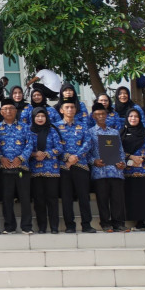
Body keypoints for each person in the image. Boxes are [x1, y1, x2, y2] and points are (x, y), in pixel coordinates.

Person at [56, 97, 95, 233]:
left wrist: (76, 157)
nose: (70, 109)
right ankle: (70, 225)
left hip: (81, 165)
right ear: (61, 110)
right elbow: (55, 145)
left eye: (72, 107)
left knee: (84, 196)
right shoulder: (56, 127)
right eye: (67, 107)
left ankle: (87, 224)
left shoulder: (82, 126)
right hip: (64, 166)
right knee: (66, 198)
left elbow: (88, 143)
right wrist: (67, 158)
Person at [0, 98, 34, 234]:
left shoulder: (24, 127)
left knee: (24, 198)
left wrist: (21, 158)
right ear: (1, 112)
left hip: (21, 168)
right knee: (7, 198)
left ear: (16, 111)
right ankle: (9, 226)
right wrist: (1, 158)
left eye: (11, 109)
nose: (8, 111)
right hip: (5, 168)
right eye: (5, 109)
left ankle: (27, 226)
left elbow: (30, 144)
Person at [88, 102, 126, 232]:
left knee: (117, 198)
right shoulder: (90, 132)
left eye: (103, 114)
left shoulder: (114, 132)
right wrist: (94, 161)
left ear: (107, 115)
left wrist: (122, 162)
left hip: (115, 171)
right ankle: (105, 223)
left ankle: (118, 223)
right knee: (102, 199)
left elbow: (120, 150)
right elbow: (86, 153)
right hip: (100, 171)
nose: (101, 116)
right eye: (98, 114)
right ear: (93, 116)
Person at [29, 106, 62, 233]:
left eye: (42, 116)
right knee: (39, 199)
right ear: (33, 118)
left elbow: (59, 148)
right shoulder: (29, 131)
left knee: (52, 199)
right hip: (35, 170)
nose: (40, 118)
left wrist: (45, 153)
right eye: (37, 116)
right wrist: (34, 154)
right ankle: (42, 227)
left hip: (51, 170)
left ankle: (54, 227)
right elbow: (26, 147)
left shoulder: (52, 130)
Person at [121, 109, 145, 230]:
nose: (133, 118)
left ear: (140, 119)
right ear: (127, 118)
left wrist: (142, 158)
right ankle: (139, 222)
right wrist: (130, 157)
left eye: (136, 116)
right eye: (131, 116)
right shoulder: (122, 133)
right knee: (135, 196)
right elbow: (119, 149)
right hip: (130, 170)